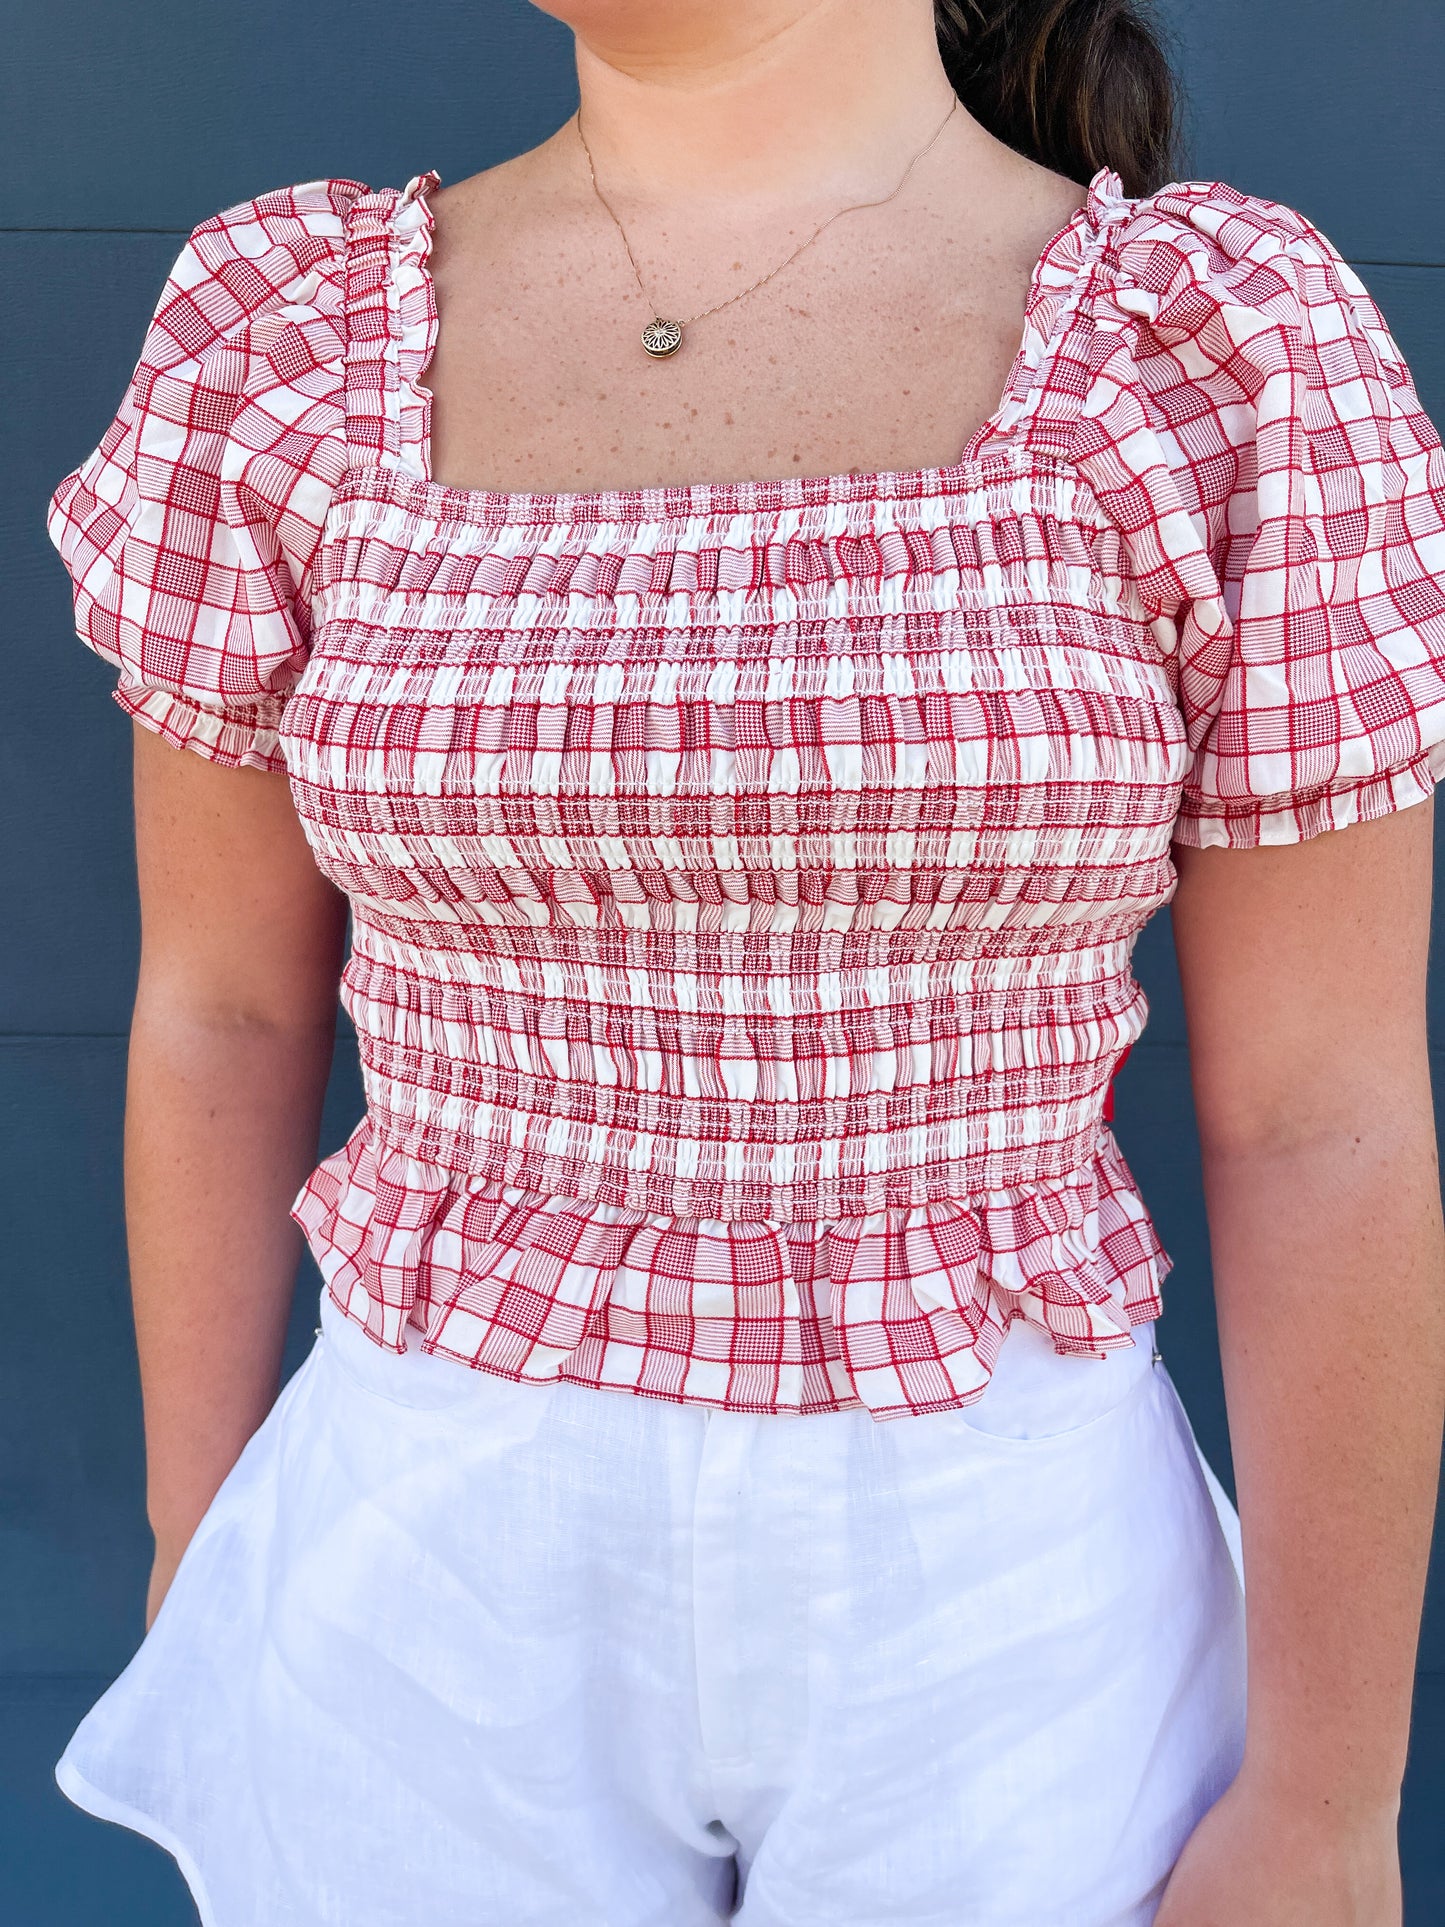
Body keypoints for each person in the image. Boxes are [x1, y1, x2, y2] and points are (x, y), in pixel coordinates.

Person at [41, 1, 1445, 1922]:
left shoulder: (1214, 343)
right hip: (417, 1556)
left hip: (1004, 1570)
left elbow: (1320, 1117)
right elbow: (225, 1005)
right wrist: (202, 1560)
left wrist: (1328, 1799)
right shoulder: (281, 330)